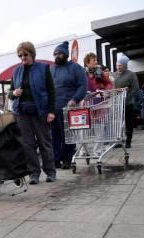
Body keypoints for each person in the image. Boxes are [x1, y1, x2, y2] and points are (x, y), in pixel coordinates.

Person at [7, 42, 57, 184]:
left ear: (32, 54)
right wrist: (14, 92)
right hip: (22, 113)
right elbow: (10, 93)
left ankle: (50, 172)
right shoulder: (16, 71)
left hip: (40, 112)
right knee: (28, 145)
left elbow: (51, 91)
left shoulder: (43, 68)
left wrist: (51, 111)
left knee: (44, 143)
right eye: (20, 55)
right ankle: (34, 173)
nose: (23, 57)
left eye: (25, 54)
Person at [50, 41, 87, 169]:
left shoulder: (76, 68)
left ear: (65, 54)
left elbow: (83, 86)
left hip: (68, 107)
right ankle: (55, 159)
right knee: (54, 136)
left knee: (68, 136)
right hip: (53, 108)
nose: (56, 56)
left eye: (59, 53)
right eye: (55, 54)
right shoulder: (51, 69)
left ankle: (67, 159)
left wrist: (75, 99)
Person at [113, 56, 139, 148]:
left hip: (128, 103)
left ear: (125, 66)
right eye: (117, 65)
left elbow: (136, 88)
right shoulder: (114, 75)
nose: (118, 67)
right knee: (117, 123)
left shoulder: (131, 74)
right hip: (117, 103)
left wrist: (127, 97)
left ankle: (128, 141)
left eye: (120, 65)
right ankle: (119, 140)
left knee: (129, 123)